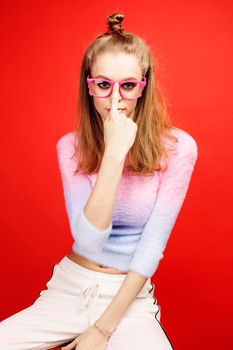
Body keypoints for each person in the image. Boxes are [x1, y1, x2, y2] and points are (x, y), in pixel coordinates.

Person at [0, 12, 198, 350]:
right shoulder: (70, 147)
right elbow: (89, 240)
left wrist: (103, 330)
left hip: (129, 299)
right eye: (104, 85)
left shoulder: (178, 148)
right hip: (71, 289)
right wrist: (114, 155)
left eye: (129, 85)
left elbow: (151, 247)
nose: (116, 100)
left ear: (143, 85)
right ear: (89, 85)